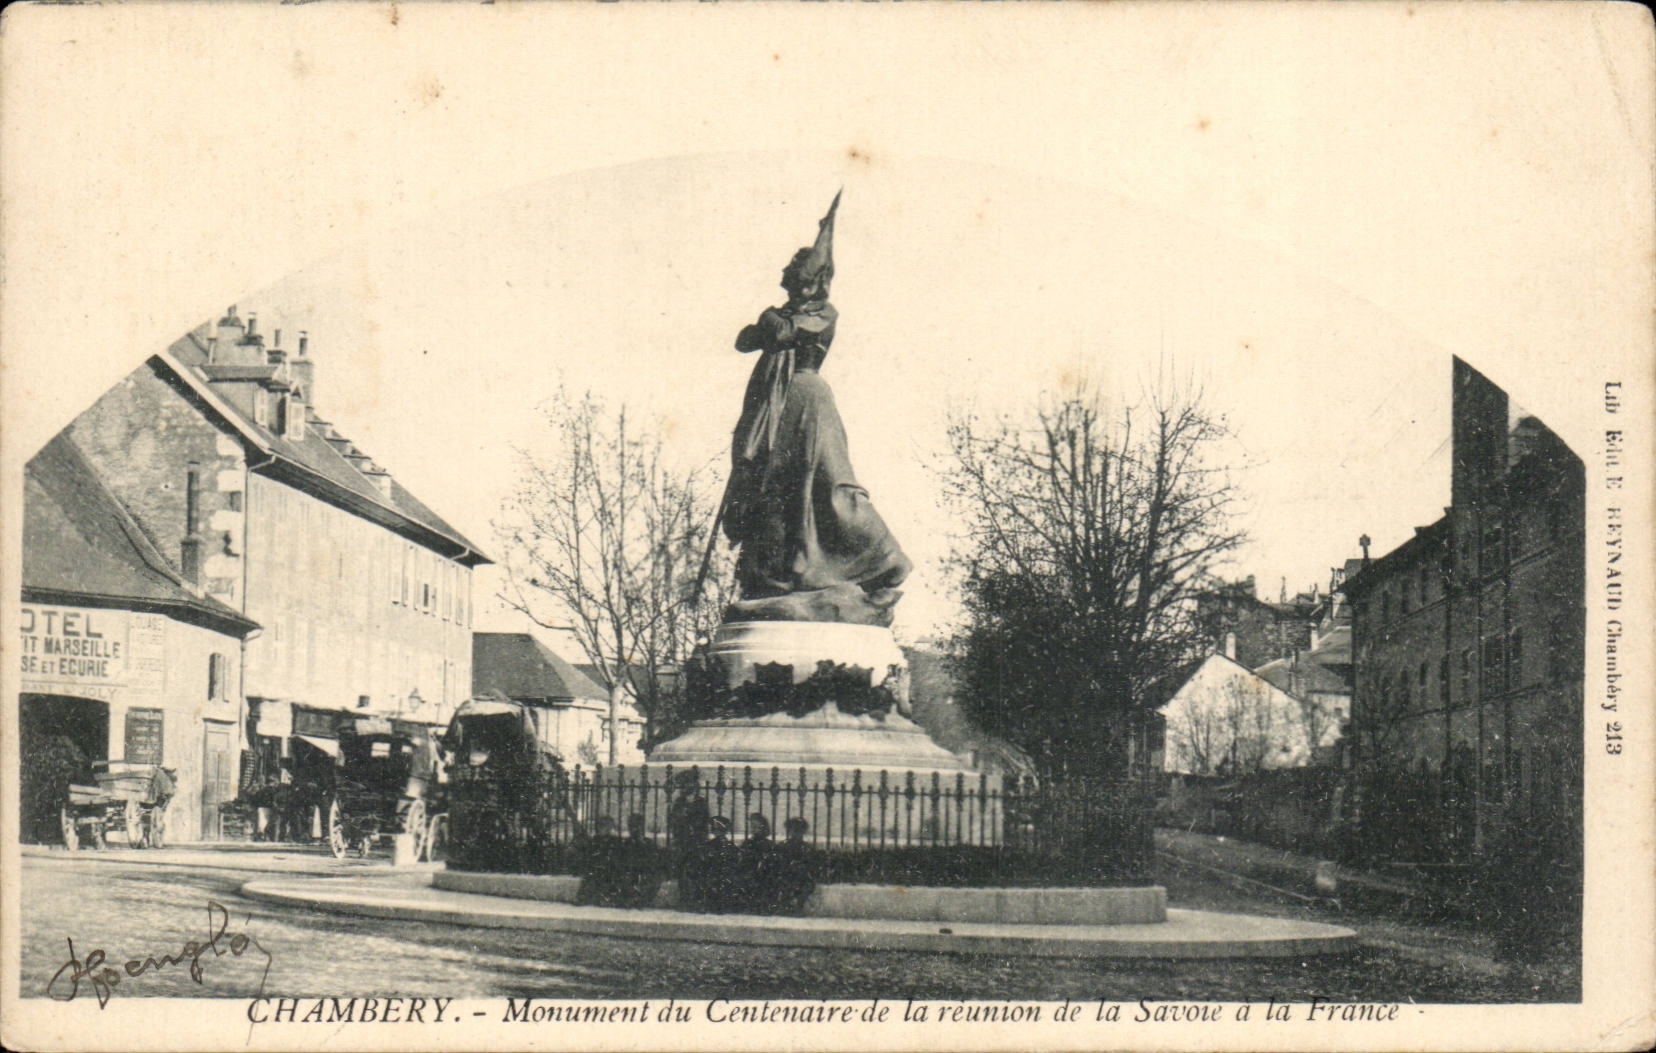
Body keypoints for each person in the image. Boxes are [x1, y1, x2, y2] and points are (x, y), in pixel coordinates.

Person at [721, 192, 912, 628]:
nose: (784, 274)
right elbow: (744, 340)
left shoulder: (823, 313)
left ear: (812, 278)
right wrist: (771, 319)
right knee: (775, 488)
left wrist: (772, 317)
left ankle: (884, 559)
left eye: (793, 270)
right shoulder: (787, 312)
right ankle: (784, 571)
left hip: (805, 401)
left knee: (827, 483)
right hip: (770, 404)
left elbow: (784, 333)